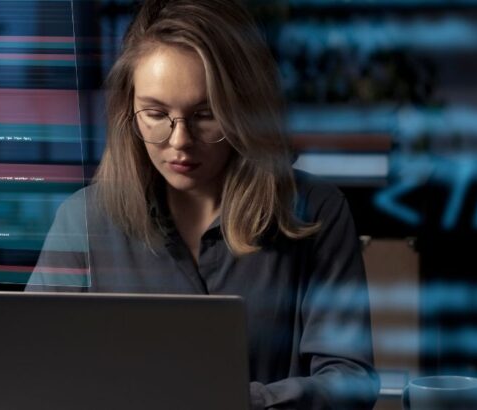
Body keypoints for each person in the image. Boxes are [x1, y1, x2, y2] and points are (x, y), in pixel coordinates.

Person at [25, 0, 381, 408]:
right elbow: (31, 368)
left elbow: (350, 379)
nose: (180, 142)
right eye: (155, 113)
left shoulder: (316, 211)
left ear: (244, 110)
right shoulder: (82, 221)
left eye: (206, 114)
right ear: (129, 112)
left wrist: (241, 402)